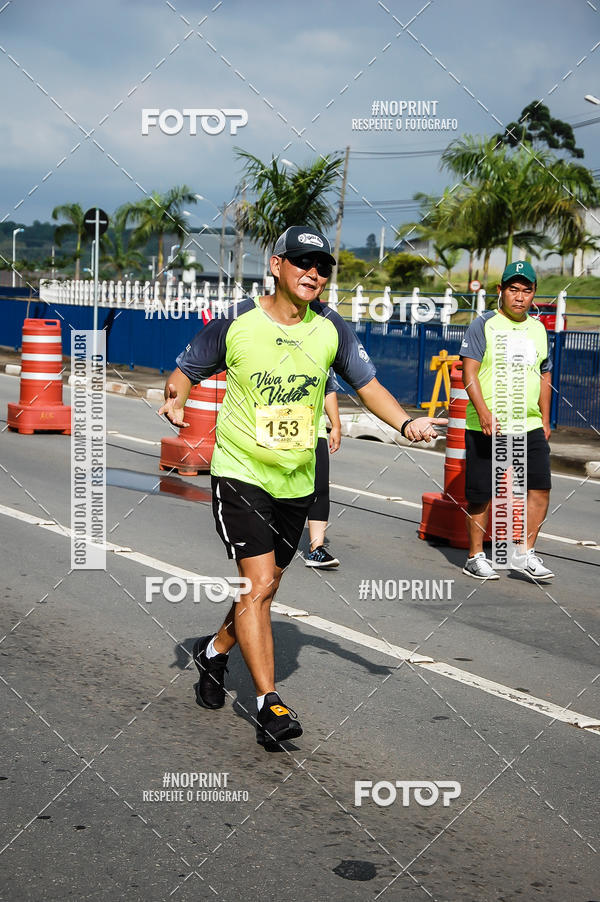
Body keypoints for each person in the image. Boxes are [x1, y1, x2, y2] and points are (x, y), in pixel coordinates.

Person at [159, 225, 446, 750]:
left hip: (297, 478)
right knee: (257, 584)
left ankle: (214, 652)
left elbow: (368, 386)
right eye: (302, 263)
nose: (313, 273)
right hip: (242, 472)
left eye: (321, 267)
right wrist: (175, 399)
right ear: (276, 265)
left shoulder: (331, 328)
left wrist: (406, 424)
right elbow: (184, 372)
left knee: (267, 586)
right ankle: (269, 704)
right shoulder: (238, 322)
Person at [460, 261, 553, 582]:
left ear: (534, 294)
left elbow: (543, 374)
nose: (520, 297)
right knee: (482, 494)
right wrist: (484, 412)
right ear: (501, 290)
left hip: (529, 425)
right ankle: (475, 557)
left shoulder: (539, 330)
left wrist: (545, 418)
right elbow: (469, 372)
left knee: (540, 488)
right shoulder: (483, 324)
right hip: (488, 425)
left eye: (526, 291)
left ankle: (524, 553)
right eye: (513, 289)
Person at [305, 372, 341, 569]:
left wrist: (335, 425)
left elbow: (329, 389)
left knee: (319, 488)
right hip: (271, 427)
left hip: (313, 428)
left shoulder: (322, 354)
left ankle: (316, 549)